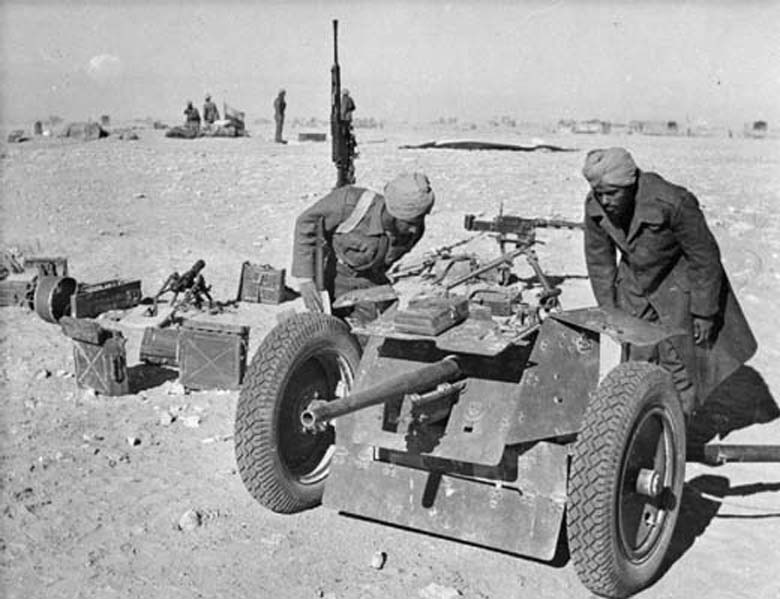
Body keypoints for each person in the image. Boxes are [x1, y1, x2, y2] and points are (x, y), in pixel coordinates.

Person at [582, 147, 756, 415]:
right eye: (600, 193)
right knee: (636, 361)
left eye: (612, 193)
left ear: (631, 184)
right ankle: (640, 429)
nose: (605, 200)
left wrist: (704, 311)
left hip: (677, 289)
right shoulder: (595, 207)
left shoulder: (672, 201)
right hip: (633, 289)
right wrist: (611, 310)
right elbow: (599, 260)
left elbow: (704, 256)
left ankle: (675, 436)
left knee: (677, 363)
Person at [292, 172, 435, 320]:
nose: (414, 229)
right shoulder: (350, 204)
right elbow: (306, 223)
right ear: (393, 214)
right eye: (409, 222)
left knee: (383, 327)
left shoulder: (414, 231)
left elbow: (386, 262)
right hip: (335, 276)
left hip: (371, 280)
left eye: (421, 219)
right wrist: (305, 280)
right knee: (328, 329)